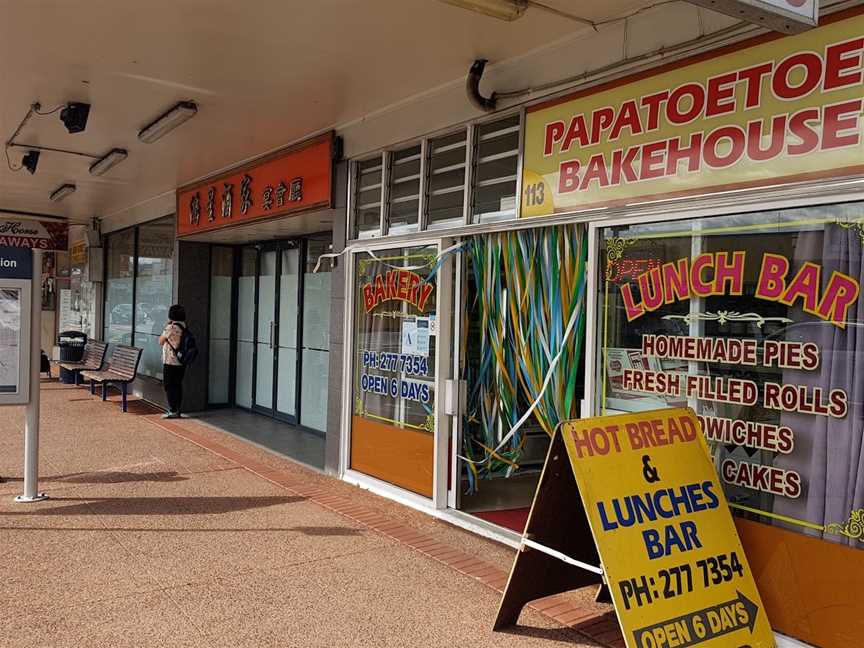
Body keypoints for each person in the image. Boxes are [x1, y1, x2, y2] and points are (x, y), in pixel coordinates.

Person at [158, 304, 187, 419]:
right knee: (177, 385)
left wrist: (166, 326)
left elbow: (160, 341)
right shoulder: (183, 325)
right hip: (181, 361)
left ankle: (173, 410)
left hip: (171, 361)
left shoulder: (171, 327)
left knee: (169, 385)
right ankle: (177, 409)